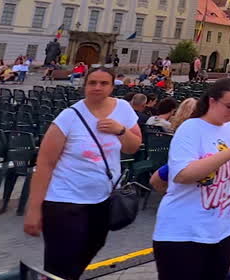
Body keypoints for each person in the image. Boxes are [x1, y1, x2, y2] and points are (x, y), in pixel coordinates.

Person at [23, 67, 142, 280]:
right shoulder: (69, 117)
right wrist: (34, 209)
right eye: (92, 83)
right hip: (64, 201)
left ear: (112, 86)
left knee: (93, 245)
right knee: (59, 264)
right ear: (84, 85)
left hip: (102, 200)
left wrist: (120, 130)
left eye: (103, 83)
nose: (97, 87)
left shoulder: (123, 108)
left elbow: (133, 147)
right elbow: (44, 163)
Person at [153, 78, 230, 279]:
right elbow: (182, 175)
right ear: (212, 101)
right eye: (229, 106)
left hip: (223, 229)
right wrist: (226, 154)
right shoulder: (191, 129)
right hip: (185, 232)